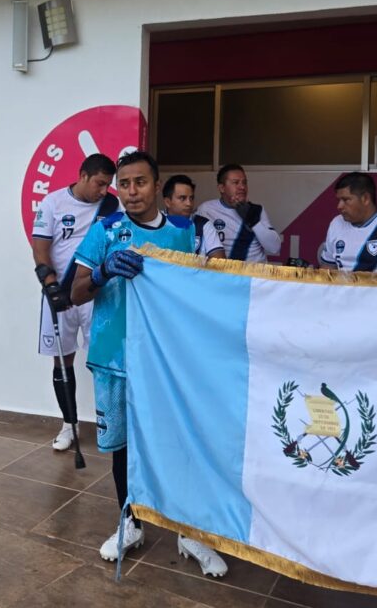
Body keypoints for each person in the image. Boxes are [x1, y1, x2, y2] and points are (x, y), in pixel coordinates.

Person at [71, 151, 229, 578]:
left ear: (157, 186)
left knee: (180, 441)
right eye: (123, 184)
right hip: (116, 357)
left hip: (169, 360)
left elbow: (204, 288)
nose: (131, 191)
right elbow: (76, 291)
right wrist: (102, 272)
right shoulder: (106, 230)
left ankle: (187, 529)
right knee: (123, 446)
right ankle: (131, 521)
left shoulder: (184, 232)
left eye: (139, 182)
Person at [31, 153, 118, 452]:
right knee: (62, 359)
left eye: (107, 185)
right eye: (99, 184)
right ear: (83, 176)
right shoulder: (53, 203)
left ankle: (111, 424)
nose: (104, 191)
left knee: (104, 360)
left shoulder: (112, 206)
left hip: (96, 293)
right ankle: (69, 425)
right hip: (61, 296)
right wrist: (51, 286)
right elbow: (40, 250)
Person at [318, 172, 377, 273]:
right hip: (341, 283)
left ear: (365, 198)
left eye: (346, 200)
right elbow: (328, 267)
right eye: (339, 200)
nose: (339, 206)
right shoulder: (337, 222)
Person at [196, 164, 282, 262]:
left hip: (254, 270)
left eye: (244, 182)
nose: (242, 187)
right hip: (223, 270)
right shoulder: (206, 209)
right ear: (221, 188)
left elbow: (275, 248)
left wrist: (253, 221)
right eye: (235, 182)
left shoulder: (256, 210)